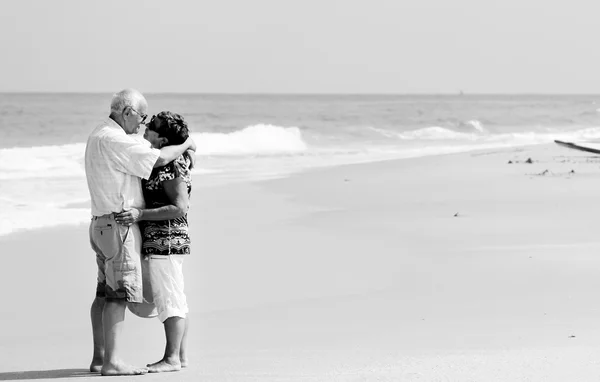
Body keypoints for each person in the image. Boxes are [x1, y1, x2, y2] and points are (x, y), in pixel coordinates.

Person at [85, 89, 196, 376]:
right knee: (117, 296)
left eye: (149, 123)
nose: (142, 125)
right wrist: (186, 144)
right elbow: (157, 158)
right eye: (141, 117)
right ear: (127, 113)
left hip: (101, 223)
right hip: (119, 225)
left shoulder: (101, 133)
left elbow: (177, 199)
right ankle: (112, 362)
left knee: (103, 294)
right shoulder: (115, 139)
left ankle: (101, 358)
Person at [114, 111, 192, 373]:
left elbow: (180, 207)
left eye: (153, 127)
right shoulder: (165, 160)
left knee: (169, 297)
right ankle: (179, 356)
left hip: (167, 238)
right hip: (162, 238)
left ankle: (172, 358)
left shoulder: (171, 164)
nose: (146, 128)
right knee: (174, 296)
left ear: (163, 139)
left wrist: (140, 214)